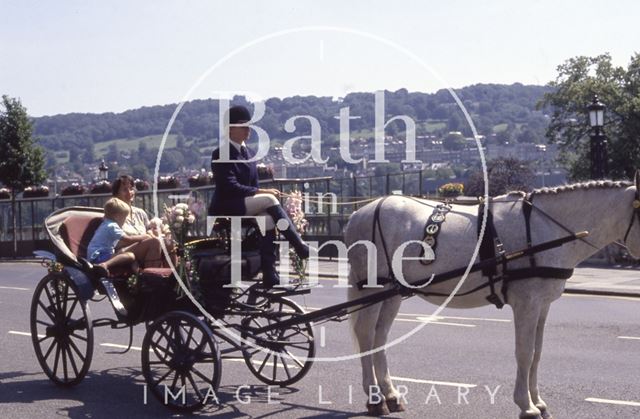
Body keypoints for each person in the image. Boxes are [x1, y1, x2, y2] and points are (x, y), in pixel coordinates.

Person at [208, 105, 309, 287]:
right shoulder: (220, 153)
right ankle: (299, 245)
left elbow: (251, 185)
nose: (248, 129)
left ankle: (269, 273)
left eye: (249, 125)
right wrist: (262, 192)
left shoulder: (250, 153)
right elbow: (229, 186)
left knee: (267, 219)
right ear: (230, 129)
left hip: (242, 203)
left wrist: (260, 192)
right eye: (243, 125)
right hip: (226, 205)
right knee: (269, 199)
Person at [112, 175, 176, 266]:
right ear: (116, 194)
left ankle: (174, 276)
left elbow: (149, 231)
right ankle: (151, 278)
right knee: (154, 242)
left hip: (145, 246)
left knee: (168, 242)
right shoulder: (114, 214)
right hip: (124, 251)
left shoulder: (140, 213)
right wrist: (147, 237)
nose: (129, 192)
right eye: (125, 189)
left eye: (131, 188)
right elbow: (117, 240)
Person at [87, 198, 150, 277]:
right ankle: (104, 265)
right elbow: (128, 239)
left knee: (133, 260)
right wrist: (145, 237)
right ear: (117, 217)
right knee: (130, 256)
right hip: (99, 256)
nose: (124, 221)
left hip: (97, 255)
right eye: (124, 218)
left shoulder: (106, 223)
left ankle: (138, 276)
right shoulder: (112, 226)